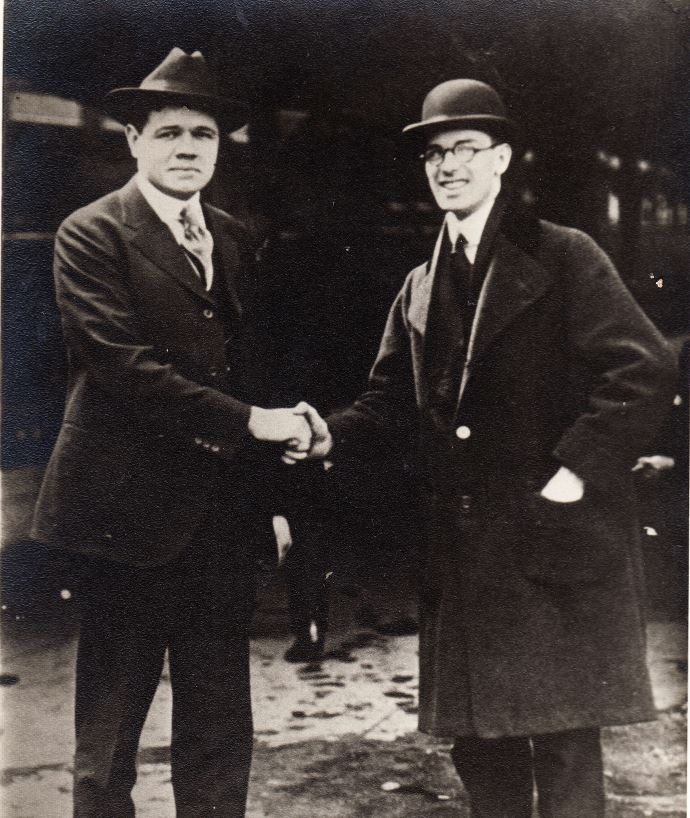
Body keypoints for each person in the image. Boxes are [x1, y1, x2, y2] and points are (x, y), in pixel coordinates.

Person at [286, 79, 677, 817]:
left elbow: (643, 368)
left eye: (465, 149)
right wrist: (327, 432)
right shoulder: (419, 285)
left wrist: (572, 471)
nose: (448, 166)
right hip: (462, 555)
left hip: (550, 538)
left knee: (561, 737)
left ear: (501, 159)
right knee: (479, 742)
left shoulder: (564, 256)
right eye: (435, 153)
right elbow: (388, 402)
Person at [31, 48, 311, 818]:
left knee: (220, 723)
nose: (188, 148)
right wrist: (252, 424)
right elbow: (120, 366)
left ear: (220, 148)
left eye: (204, 135)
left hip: (220, 519)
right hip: (123, 519)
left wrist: (275, 502)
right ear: (134, 141)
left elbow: (255, 371)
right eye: (170, 133)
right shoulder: (91, 234)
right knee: (110, 733)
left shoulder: (236, 237)